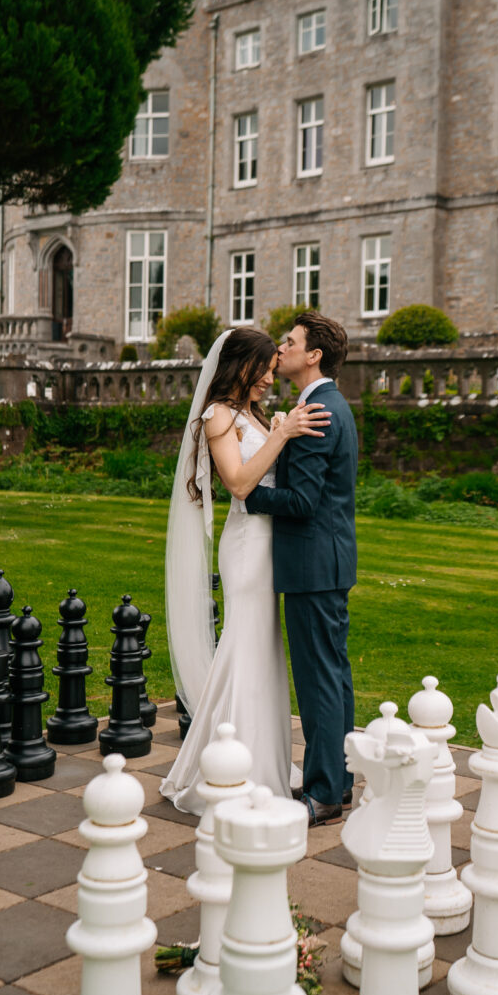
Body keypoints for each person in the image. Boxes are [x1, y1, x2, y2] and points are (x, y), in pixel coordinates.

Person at [160, 326, 329, 815]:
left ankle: (261, 762)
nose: (269, 380)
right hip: (247, 546)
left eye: (273, 371)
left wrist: (274, 431)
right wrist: (278, 435)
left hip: (269, 545)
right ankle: (234, 769)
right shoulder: (217, 414)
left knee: (264, 651)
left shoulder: (247, 414)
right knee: (246, 647)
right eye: (264, 371)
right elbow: (238, 483)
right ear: (242, 366)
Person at [244, 312, 358, 827]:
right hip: (327, 562)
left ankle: (323, 794)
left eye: (289, 342)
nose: (280, 350)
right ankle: (339, 779)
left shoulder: (317, 413)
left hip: (313, 563)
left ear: (313, 355)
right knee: (333, 676)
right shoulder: (323, 405)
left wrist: (248, 496)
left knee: (319, 683)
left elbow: (303, 500)